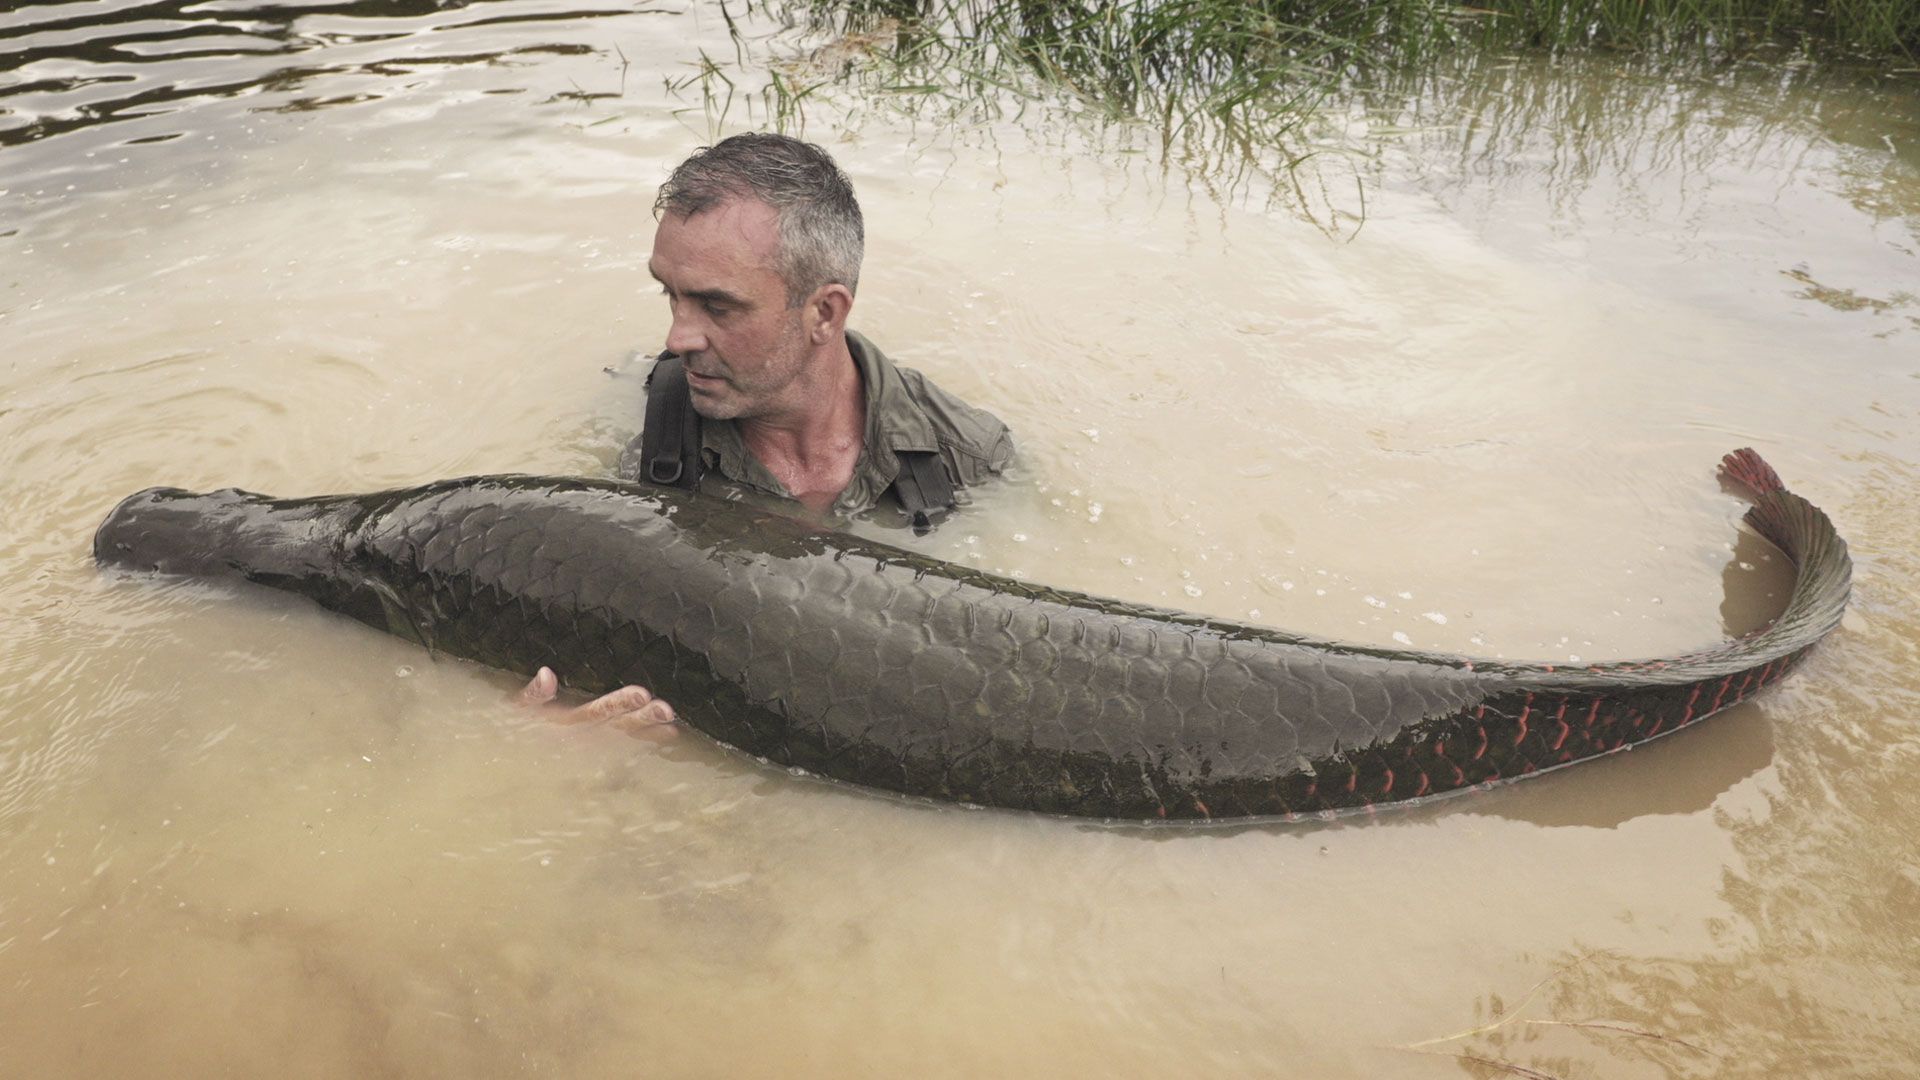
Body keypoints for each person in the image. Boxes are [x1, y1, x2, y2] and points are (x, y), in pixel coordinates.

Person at [520, 132, 1014, 733]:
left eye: (718, 308)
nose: (678, 339)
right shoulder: (635, 437)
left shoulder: (968, 459)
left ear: (824, 313)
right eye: (669, 294)